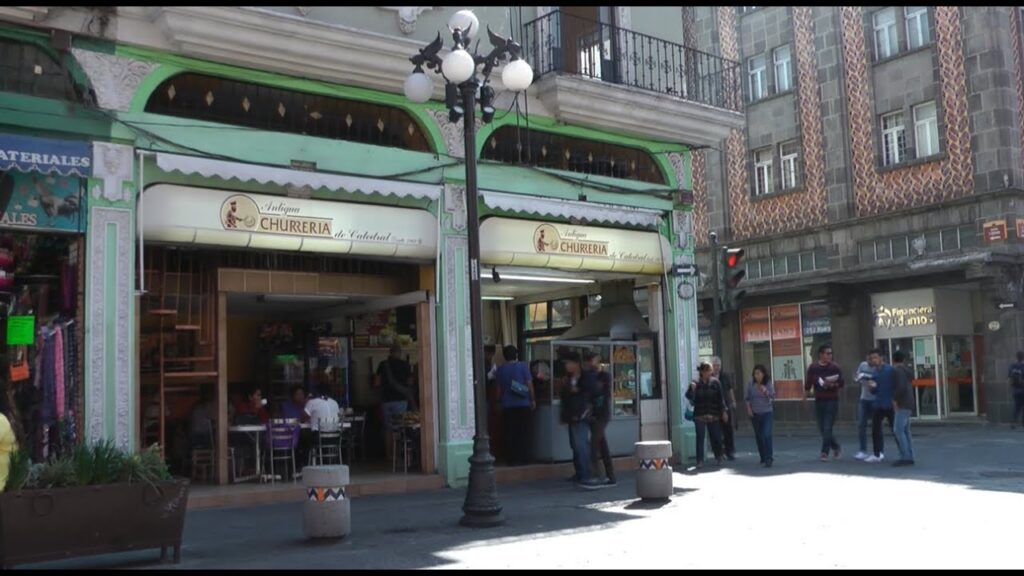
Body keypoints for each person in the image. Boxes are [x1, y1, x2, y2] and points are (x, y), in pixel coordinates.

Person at [561, 351, 602, 489]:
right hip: (572, 415)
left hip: (582, 414)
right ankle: (579, 473)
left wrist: (577, 390)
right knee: (575, 445)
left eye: (568, 363)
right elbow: (565, 397)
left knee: (581, 445)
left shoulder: (586, 376)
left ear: (576, 364)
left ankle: (587, 475)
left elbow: (594, 391)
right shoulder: (569, 377)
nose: (566, 366)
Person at [494, 345, 535, 466]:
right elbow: (530, 385)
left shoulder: (500, 370)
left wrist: (498, 403)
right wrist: (532, 400)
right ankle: (524, 458)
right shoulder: (523, 366)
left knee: (510, 432)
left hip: (507, 405)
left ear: (504, 356)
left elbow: (498, 389)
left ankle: (511, 459)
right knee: (524, 431)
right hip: (523, 404)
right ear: (516, 355)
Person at [803, 344, 844, 461]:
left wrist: (832, 384)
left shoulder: (835, 367)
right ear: (821, 354)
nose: (830, 356)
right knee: (822, 428)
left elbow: (841, 383)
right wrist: (805, 397)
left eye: (831, 353)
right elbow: (808, 383)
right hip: (819, 400)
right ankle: (836, 447)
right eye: (827, 353)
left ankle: (824, 452)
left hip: (832, 400)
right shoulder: (813, 367)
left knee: (827, 428)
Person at [375, 343, 415, 459]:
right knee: (400, 428)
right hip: (401, 401)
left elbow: (376, 383)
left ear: (390, 352)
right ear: (400, 353)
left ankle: (389, 455)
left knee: (388, 429)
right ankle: (398, 454)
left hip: (386, 401)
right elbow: (410, 383)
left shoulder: (383, 364)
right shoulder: (405, 365)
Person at [686, 361, 726, 469]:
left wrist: (723, 411)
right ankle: (699, 460)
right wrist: (692, 389)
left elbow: (720, 399)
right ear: (702, 372)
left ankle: (719, 456)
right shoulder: (695, 383)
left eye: (710, 370)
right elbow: (689, 396)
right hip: (699, 415)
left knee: (716, 437)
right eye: (707, 370)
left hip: (713, 414)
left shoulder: (716, 383)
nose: (709, 372)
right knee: (700, 437)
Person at [585, 351, 616, 486]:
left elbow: (601, 392)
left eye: (595, 360)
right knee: (602, 445)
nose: (593, 363)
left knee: (593, 445)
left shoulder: (604, 376)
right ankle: (610, 475)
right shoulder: (590, 375)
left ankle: (596, 475)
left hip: (602, 414)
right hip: (594, 414)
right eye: (592, 361)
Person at [866, 348, 896, 463]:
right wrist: (871, 386)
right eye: (871, 358)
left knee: (896, 429)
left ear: (881, 358)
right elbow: (873, 391)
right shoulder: (874, 372)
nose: (873, 360)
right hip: (878, 404)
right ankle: (877, 453)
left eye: (875, 357)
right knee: (875, 430)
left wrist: (895, 400)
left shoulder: (890, 370)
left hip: (890, 404)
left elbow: (896, 385)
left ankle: (905, 453)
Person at [745, 364, 775, 467]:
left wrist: (765, 391)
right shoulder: (751, 384)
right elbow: (747, 398)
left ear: (763, 374)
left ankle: (769, 458)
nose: (757, 376)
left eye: (759, 373)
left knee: (766, 434)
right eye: (755, 374)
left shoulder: (768, 383)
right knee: (759, 436)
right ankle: (763, 456)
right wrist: (749, 409)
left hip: (767, 412)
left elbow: (772, 397)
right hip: (755, 413)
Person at [891, 351, 916, 466]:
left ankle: (905, 456)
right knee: (906, 430)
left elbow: (900, 387)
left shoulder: (897, 371)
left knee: (898, 430)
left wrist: (895, 399)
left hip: (902, 403)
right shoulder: (906, 371)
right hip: (909, 402)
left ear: (893, 360)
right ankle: (909, 455)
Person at [711, 357, 737, 460]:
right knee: (716, 431)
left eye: (718, 366)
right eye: (714, 365)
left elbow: (730, 389)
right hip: (714, 408)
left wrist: (733, 401)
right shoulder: (710, 377)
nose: (716, 368)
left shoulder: (725, 376)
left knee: (728, 430)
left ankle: (729, 451)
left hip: (726, 406)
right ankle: (719, 452)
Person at [281, 385, 313, 467]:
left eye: (302, 394)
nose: (300, 396)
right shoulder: (286, 406)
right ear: (292, 396)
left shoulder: (306, 406)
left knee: (309, 440)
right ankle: (298, 466)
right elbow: (290, 420)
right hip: (289, 435)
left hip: (302, 434)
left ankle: (306, 465)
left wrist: (306, 405)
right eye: (297, 394)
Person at [854, 354, 876, 460]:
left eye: (870, 359)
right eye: (867, 359)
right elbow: (857, 377)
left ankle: (878, 451)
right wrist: (858, 377)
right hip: (864, 399)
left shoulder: (878, 367)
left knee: (876, 426)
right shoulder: (863, 365)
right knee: (861, 424)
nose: (868, 361)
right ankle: (863, 450)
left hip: (875, 399)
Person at [1009, 352, 1024, 429]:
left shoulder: (1012, 366)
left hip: (1015, 390)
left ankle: (1013, 422)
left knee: (1016, 407)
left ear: (1016, 357)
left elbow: (1009, 376)